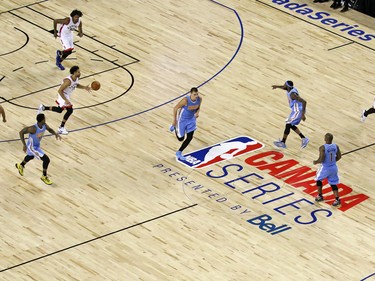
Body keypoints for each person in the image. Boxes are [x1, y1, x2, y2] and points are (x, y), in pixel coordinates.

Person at [37, 65, 91, 135]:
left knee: (59, 110)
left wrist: (84, 87)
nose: (79, 73)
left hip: (67, 95)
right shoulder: (68, 81)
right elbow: (59, 90)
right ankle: (61, 128)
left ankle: (43, 107)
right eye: (78, 72)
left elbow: (76, 85)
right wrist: (65, 100)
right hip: (62, 94)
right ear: (74, 73)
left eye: (79, 72)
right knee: (70, 110)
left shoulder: (76, 78)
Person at [15, 113, 61, 185]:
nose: (45, 119)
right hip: (32, 147)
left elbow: (49, 129)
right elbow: (21, 132)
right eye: (44, 118)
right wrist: (24, 145)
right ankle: (44, 176)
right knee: (46, 159)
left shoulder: (44, 125)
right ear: (42, 120)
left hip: (37, 145)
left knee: (31, 156)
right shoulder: (33, 128)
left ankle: (21, 165)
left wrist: (55, 134)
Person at [272, 81, 309, 149]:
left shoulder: (293, 95)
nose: (283, 85)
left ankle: (283, 142)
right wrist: (276, 86)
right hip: (295, 110)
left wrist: (303, 114)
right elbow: (283, 88)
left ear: (287, 87)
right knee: (290, 124)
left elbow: (304, 102)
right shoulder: (289, 89)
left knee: (288, 124)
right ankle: (304, 138)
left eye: (285, 85)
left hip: (298, 111)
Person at [170, 87, 202, 161]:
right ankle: (175, 127)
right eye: (194, 94)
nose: (196, 96)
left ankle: (179, 152)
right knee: (181, 138)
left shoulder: (199, 99)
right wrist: (174, 121)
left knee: (190, 137)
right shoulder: (185, 100)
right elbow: (175, 108)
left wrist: (197, 113)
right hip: (182, 120)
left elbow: (198, 107)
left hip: (191, 119)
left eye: (197, 94)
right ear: (191, 94)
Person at [313, 133, 342, 207]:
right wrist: (332, 161)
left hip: (325, 168)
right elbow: (339, 156)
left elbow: (321, 159)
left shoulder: (322, 148)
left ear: (325, 139)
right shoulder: (336, 146)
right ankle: (337, 200)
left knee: (318, 179)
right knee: (333, 183)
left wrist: (316, 161)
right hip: (333, 168)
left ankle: (320, 196)